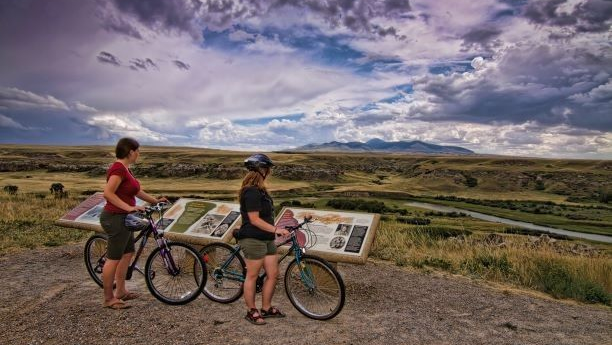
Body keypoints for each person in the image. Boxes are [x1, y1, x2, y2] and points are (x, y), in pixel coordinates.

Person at [99, 137, 167, 309]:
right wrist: (128, 207)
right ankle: (108, 299)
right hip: (115, 218)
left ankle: (121, 291)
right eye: (137, 150)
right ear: (130, 151)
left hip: (124, 219)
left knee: (127, 253)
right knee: (113, 258)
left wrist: (155, 200)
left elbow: (137, 191)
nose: (139, 154)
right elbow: (108, 193)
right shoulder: (118, 169)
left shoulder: (126, 169)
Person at [236, 153, 290, 325]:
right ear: (260, 170)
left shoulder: (261, 190)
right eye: (267, 169)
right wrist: (276, 230)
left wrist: (274, 231)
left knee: (273, 274)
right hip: (253, 238)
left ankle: (266, 308)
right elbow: (254, 219)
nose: (269, 172)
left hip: (267, 239)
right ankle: (251, 310)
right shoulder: (251, 192)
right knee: (252, 275)